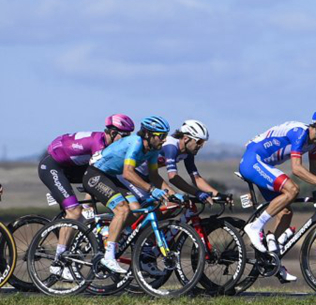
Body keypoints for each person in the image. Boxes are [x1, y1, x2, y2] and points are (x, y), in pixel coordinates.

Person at [240, 111, 316, 270]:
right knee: (292, 190)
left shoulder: (315, 144)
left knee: (285, 213)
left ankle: (270, 258)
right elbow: (296, 169)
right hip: (253, 161)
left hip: (263, 165)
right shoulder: (299, 133)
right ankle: (255, 227)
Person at [39, 115, 135, 272]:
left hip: (71, 167)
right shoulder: (98, 144)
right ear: (111, 132)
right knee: (75, 213)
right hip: (52, 167)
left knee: (95, 196)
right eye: (124, 135)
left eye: (129, 135)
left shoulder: (109, 145)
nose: (127, 139)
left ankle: (77, 233)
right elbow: (96, 177)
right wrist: (89, 203)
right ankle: (58, 263)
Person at [82, 116, 172, 274]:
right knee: (122, 209)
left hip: (112, 177)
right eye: (161, 136)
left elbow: (155, 176)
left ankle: (112, 235)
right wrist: (151, 190)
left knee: (135, 209)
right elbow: (128, 173)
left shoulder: (153, 150)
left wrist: (172, 194)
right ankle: (109, 255)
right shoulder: (136, 143)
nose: (163, 140)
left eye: (165, 135)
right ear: (148, 134)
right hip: (95, 175)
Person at [137, 120, 220, 201]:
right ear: (186, 138)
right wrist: (197, 193)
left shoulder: (188, 152)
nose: (200, 146)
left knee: (173, 205)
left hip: (150, 177)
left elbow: (196, 178)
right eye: (199, 141)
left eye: (203, 143)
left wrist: (218, 195)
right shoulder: (171, 146)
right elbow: (173, 178)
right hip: (135, 174)